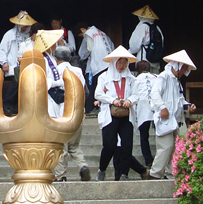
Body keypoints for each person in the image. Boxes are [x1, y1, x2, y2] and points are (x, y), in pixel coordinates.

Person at [94, 46, 147, 181]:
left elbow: (136, 95)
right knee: (110, 145)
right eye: (120, 62)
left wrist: (129, 100)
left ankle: (124, 173)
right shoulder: (104, 77)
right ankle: (102, 168)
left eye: (124, 62)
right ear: (114, 62)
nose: (122, 65)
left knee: (127, 145)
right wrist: (113, 100)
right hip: (110, 114)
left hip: (126, 115)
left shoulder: (130, 78)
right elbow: (98, 94)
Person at [149, 50, 197, 180]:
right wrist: (162, 107)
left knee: (179, 144)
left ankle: (171, 173)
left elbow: (179, 99)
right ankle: (155, 173)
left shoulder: (176, 81)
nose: (183, 72)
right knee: (166, 146)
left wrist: (188, 105)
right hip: (165, 118)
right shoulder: (164, 77)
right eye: (183, 68)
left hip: (176, 119)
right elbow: (155, 94)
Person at [52, 45, 90, 182]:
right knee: (74, 145)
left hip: (63, 111)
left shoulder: (55, 71)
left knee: (61, 145)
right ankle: (83, 165)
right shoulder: (78, 70)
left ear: (56, 59)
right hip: (78, 111)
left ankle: (61, 175)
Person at [0, 11, 37, 114]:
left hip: (26, 66)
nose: (24, 28)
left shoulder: (30, 37)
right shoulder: (9, 34)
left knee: (22, 85)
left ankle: (16, 106)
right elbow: (2, 50)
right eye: (22, 26)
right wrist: (4, 62)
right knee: (17, 82)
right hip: (12, 66)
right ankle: (7, 103)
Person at [77, 22, 114, 114]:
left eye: (81, 35)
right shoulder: (102, 33)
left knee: (95, 87)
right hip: (108, 62)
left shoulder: (88, 33)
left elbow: (87, 50)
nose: (82, 37)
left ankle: (92, 107)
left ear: (82, 30)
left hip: (98, 65)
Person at [129, 5, 164, 74]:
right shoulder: (157, 28)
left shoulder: (142, 27)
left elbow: (134, 46)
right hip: (156, 61)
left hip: (144, 60)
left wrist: (128, 53)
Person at [134, 60, 157, 167]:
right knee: (160, 134)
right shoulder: (156, 77)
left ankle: (148, 160)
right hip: (157, 107)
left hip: (143, 109)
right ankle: (159, 158)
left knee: (144, 136)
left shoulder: (135, 80)